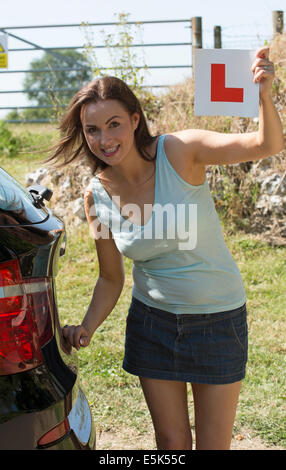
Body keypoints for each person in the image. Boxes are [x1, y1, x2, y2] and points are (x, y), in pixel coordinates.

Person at [48, 46, 283, 450]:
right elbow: (110, 276)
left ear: (135, 120)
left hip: (218, 321)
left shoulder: (179, 151)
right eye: (92, 130)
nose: (104, 139)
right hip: (152, 325)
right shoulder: (95, 196)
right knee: (171, 446)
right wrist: (86, 327)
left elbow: (266, 145)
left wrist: (264, 94)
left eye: (114, 124)